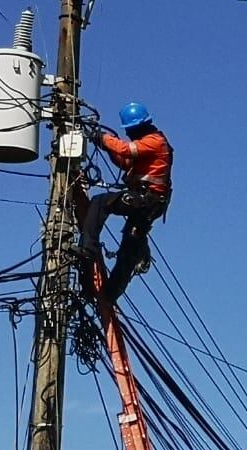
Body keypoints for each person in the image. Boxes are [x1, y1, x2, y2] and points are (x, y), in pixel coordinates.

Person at [76, 102, 173, 302]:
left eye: (129, 129)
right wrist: (104, 145)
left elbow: (126, 150)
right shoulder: (149, 144)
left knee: (100, 202)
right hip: (148, 203)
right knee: (128, 250)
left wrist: (103, 138)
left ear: (137, 126)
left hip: (147, 200)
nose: (128, 133)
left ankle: (88, 247)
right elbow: (124, 161)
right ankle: (110, 294)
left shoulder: (154, 141)